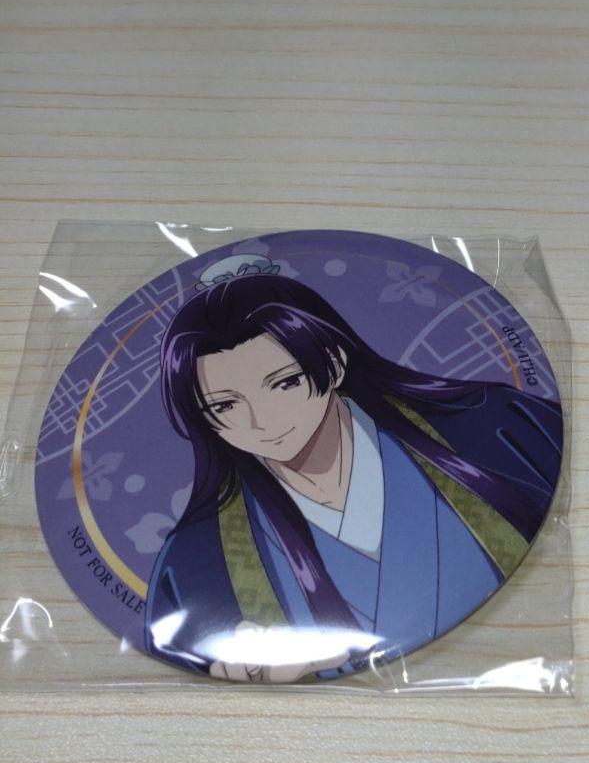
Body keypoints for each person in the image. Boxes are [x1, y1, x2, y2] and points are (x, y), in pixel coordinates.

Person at [144, 255, 562, 680]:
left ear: (334, 362)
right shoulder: (195, 565)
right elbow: (182, 660)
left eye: (285, 382)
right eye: (225, 406)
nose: (261, 421)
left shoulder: (500, 428)